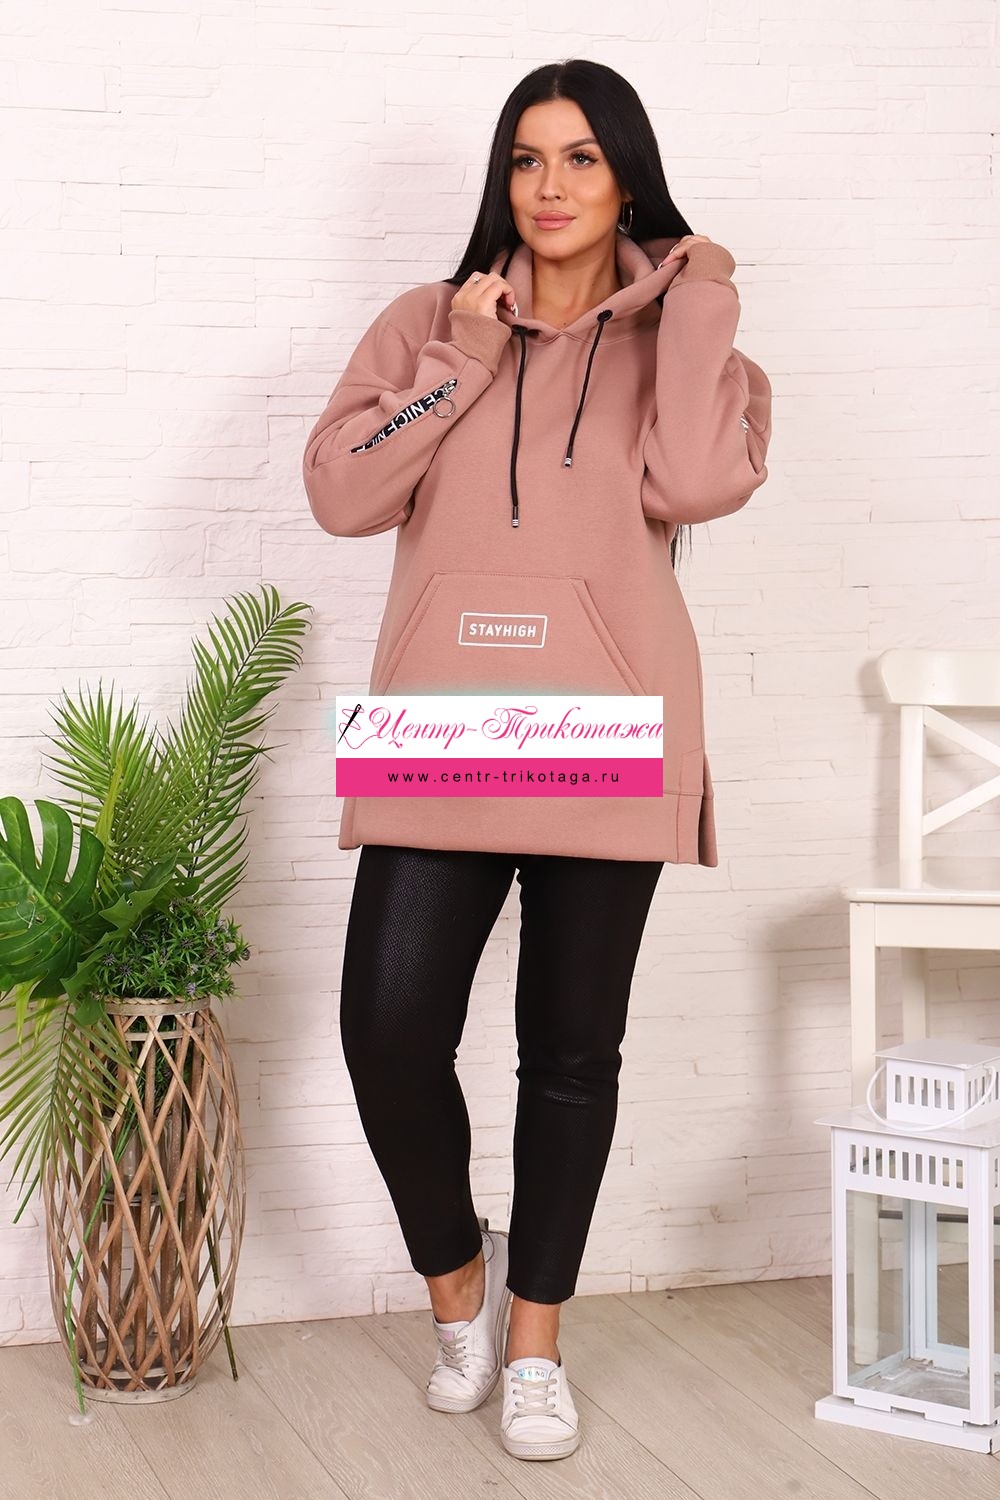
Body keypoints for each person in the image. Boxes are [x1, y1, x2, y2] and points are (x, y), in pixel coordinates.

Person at [302, 58, 773, 1463]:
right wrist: (458, 363)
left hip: (612, 727)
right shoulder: (423, 324)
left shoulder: (690, 341)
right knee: (388, 1031)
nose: (550, 187)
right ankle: (460, 1285)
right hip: (440, 724)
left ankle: (534, 1345)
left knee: (569, 1054)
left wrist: (700, 302)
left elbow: (699, 482)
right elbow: (342, 495)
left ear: (628, 178)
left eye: (580, 159)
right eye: (526, 159)